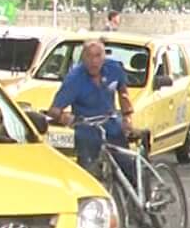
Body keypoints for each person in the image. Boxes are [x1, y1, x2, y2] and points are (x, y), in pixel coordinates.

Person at [50, 39, 134, 178]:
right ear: (83, 58)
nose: (94, 61)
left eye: (98, 56)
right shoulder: (74, 79)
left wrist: (128, 116)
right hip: (87, 131)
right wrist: (65, 118)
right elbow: (54, 110)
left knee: (127, 169)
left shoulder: (114, 68)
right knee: (89, 175)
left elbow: (123, 92)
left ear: (104, 56)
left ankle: (139, 195)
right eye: (89, 56)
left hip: (112, 126)